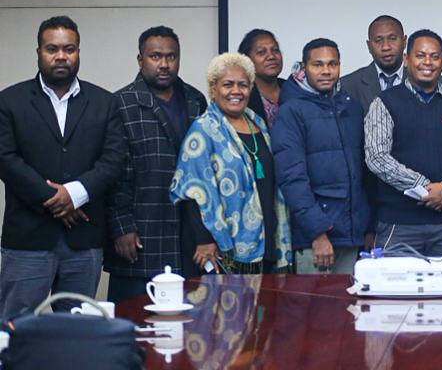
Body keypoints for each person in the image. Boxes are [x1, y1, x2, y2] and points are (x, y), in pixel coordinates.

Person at [0, 16, 126, 315]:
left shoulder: (104, 102)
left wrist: (75, 194)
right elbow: (5, 159)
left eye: (69, 49)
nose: (60, 56)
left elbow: (113, 159)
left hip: (83, 239)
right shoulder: (9, 101)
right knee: (14, 330)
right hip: (27, 240)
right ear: (39, 52)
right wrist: (54, 200)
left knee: (76, 333)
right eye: (52, 48)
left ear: (78, 52)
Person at [105, 26, 209, 302]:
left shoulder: (196, 100)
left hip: (188, 235)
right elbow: (113, 172)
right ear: (140, 60)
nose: (164, 64)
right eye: (155, 56)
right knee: (134, 327)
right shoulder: (120, 103)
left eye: (171, 57)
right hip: (140, 232)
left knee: (189, 328)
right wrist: (121, 226)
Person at [170, 52, 292, 274]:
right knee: (233, 307)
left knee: (267, 306)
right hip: (225, 247)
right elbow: (191, 191)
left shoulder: (259, 124)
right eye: (228, 84)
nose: (236, 91)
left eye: (243, 85)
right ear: (214, 89)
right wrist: (204, 239)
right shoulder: (203, 129)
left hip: (266, 239)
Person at [365, 29, 442, 260]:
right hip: (399, 223)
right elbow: (377, 157)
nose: (427, 62)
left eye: (434, 56)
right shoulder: (384, 103)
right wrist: (427, 189)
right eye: (420, 55)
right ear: (406, 59)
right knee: (396, 294)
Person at [271, 38, 370, 274]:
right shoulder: (291, 112)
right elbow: (292, 178)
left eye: (332, 64)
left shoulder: (352, 109)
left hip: (351, 237)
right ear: (303, 67)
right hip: (315, 241)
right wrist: (318, 232)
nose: (326, 71)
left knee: (350, 310)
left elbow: (362, 175)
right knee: (318, 310)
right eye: (317, 65)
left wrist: (366, 229)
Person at [341, 15, 407, 112]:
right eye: (378, 41)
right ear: (369, 46)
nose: (386, 47)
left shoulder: (425, 81)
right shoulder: (347, 86)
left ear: (404, 41)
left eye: (392, 39)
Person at [238, 29, 285, 127]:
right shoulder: (242, 96)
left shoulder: (293, 89)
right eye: (261, 52)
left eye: (275, 50)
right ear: (247, 60)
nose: (271, 56)